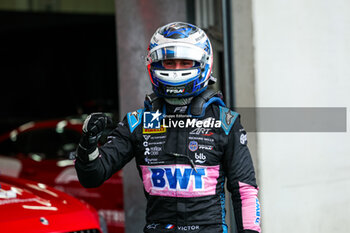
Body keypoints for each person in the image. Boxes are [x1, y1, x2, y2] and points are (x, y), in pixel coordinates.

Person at [75, 22, 261, 233]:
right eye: (169, 63)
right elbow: (92, 177)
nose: (176, 70)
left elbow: (244, 191)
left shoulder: (225, 122)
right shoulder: (138, 122)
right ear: (154, 64)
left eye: (185, 63)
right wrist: (88, 143)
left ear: (203, 64)